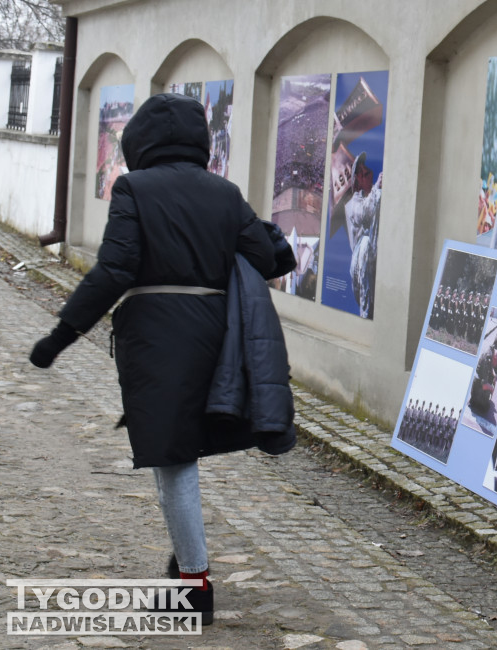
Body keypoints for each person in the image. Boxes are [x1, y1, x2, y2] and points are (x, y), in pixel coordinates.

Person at [28, 93, 296, 624]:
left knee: (172, 458)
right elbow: (265, 257)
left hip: (157, 340)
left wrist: (61, 335)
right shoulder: (224, 192)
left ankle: (194, 588)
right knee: (173, 451)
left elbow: (114, 270)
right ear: (200, 142)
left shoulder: (133, 188)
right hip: (215, 337)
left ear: (140, 143)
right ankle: (184, 562)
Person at [344, 152, 382, 318]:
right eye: (362, 173)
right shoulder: (354, 203)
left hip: (378, 265)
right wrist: (378, 187)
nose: (367, 173)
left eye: (367, 171)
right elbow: (364, 214)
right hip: (363, 268)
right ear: (358, 180)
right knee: (366, 243)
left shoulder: (376, 196)